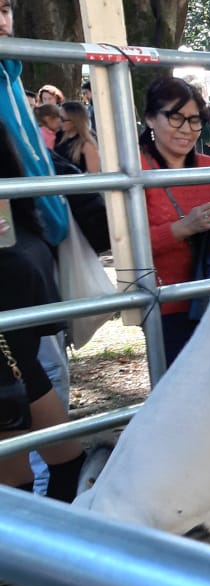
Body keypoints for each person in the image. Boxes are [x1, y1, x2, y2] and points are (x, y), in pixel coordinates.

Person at [139, 76, 210, 366]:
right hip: (164, 305)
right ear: (150, 118)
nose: (187, 129)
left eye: (194, 120)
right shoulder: (135, 171)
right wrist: (183, 228)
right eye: (176, 118)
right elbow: (126, 246)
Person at [0, 112, 85, 501]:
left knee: (70, 464)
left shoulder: (14, 198)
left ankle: (59, 537)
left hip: (18, 358)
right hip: (8, 364)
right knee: (15, 488)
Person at [54, 100, 99, 172]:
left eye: (62, 119)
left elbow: (94, 174)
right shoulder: (58, 135)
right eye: (58, 117)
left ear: (75, 121)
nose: (58, 121)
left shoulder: (87, 145)